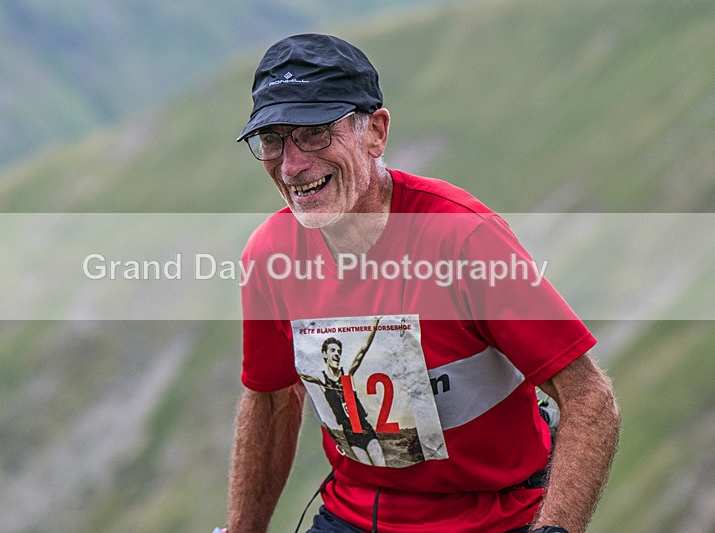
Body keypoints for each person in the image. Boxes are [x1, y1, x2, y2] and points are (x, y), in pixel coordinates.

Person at [225, 33, 620, 533]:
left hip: (493, 522)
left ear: (376, 132)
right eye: (273, 139)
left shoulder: (463, 239)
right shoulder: (269, 255)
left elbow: (589, 399)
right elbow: (271, 399)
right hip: (350, 516)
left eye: (314, 133)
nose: (291, 163)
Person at [298, 317, 386, 466]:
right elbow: (301, 368)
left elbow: (362, 351)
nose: (337, 354)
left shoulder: (347, 375)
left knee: (380, 462)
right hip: (349, 434)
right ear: (325, 354)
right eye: (333, 350)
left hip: (365, 428)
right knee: (365, 470)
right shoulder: (322, 382)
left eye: (339, 351)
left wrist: (376, 324)